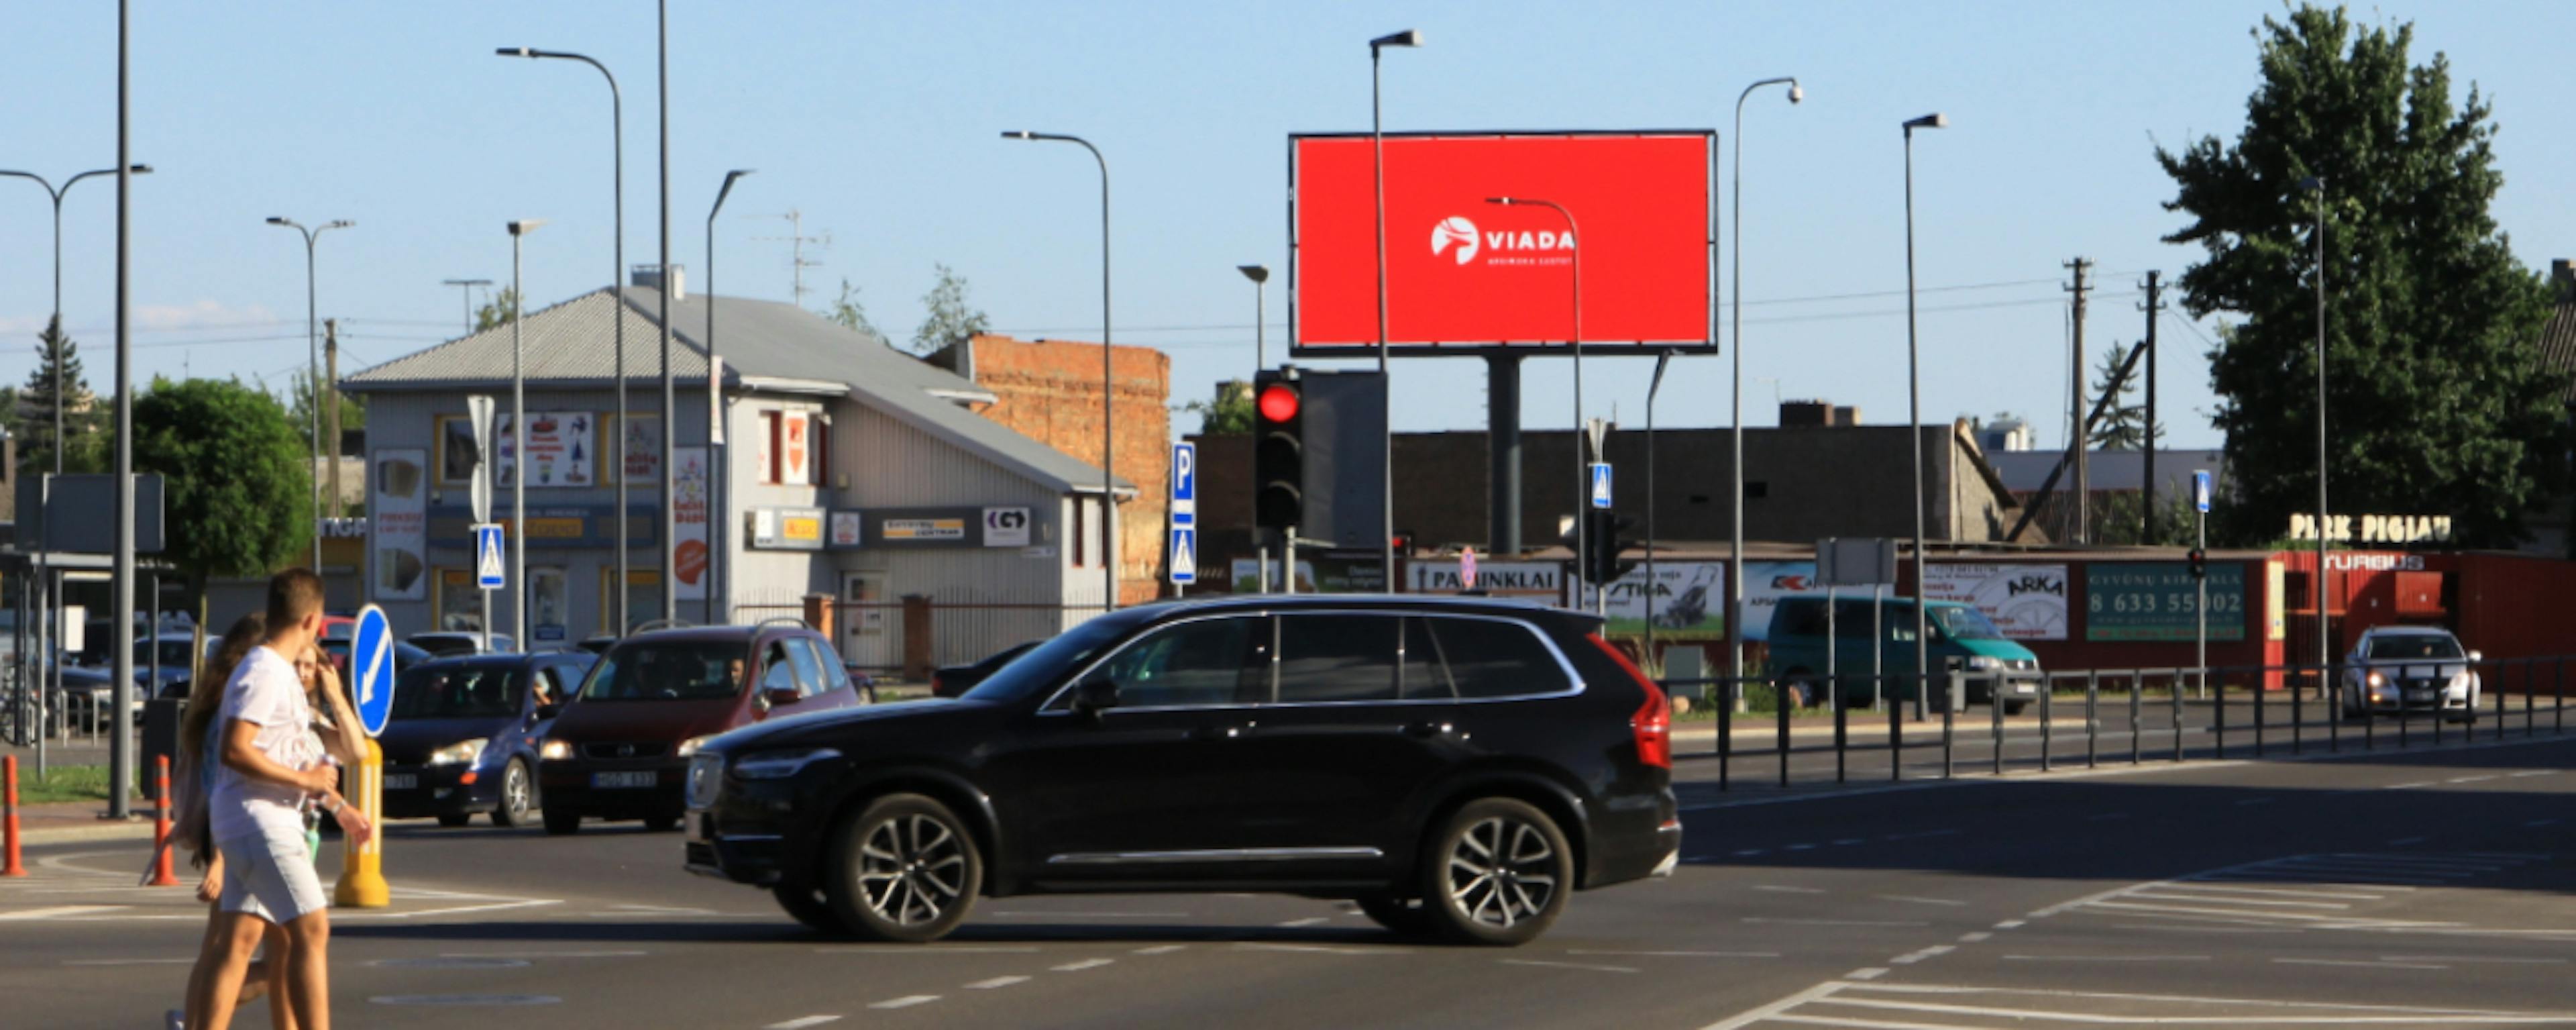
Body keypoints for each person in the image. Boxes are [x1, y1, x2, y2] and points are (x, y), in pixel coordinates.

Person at [186, 570, 372, 1030]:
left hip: (248, 827)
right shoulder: (265, 670)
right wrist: (305, 779)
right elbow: (235, 747)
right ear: (313, 620)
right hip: (263, 823)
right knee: (312, 930)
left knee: (236, 943)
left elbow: (354, 750)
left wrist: (334, 694)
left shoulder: (279, 678)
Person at [168, 614, 295, 1030]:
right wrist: (221, 860)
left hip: (222, 832)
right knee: (274, 951)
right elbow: (228, 784)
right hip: (240, 833)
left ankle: (193, 1022)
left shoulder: (217, 704)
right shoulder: (239, 710)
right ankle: (197, 1022)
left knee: (226, 948)